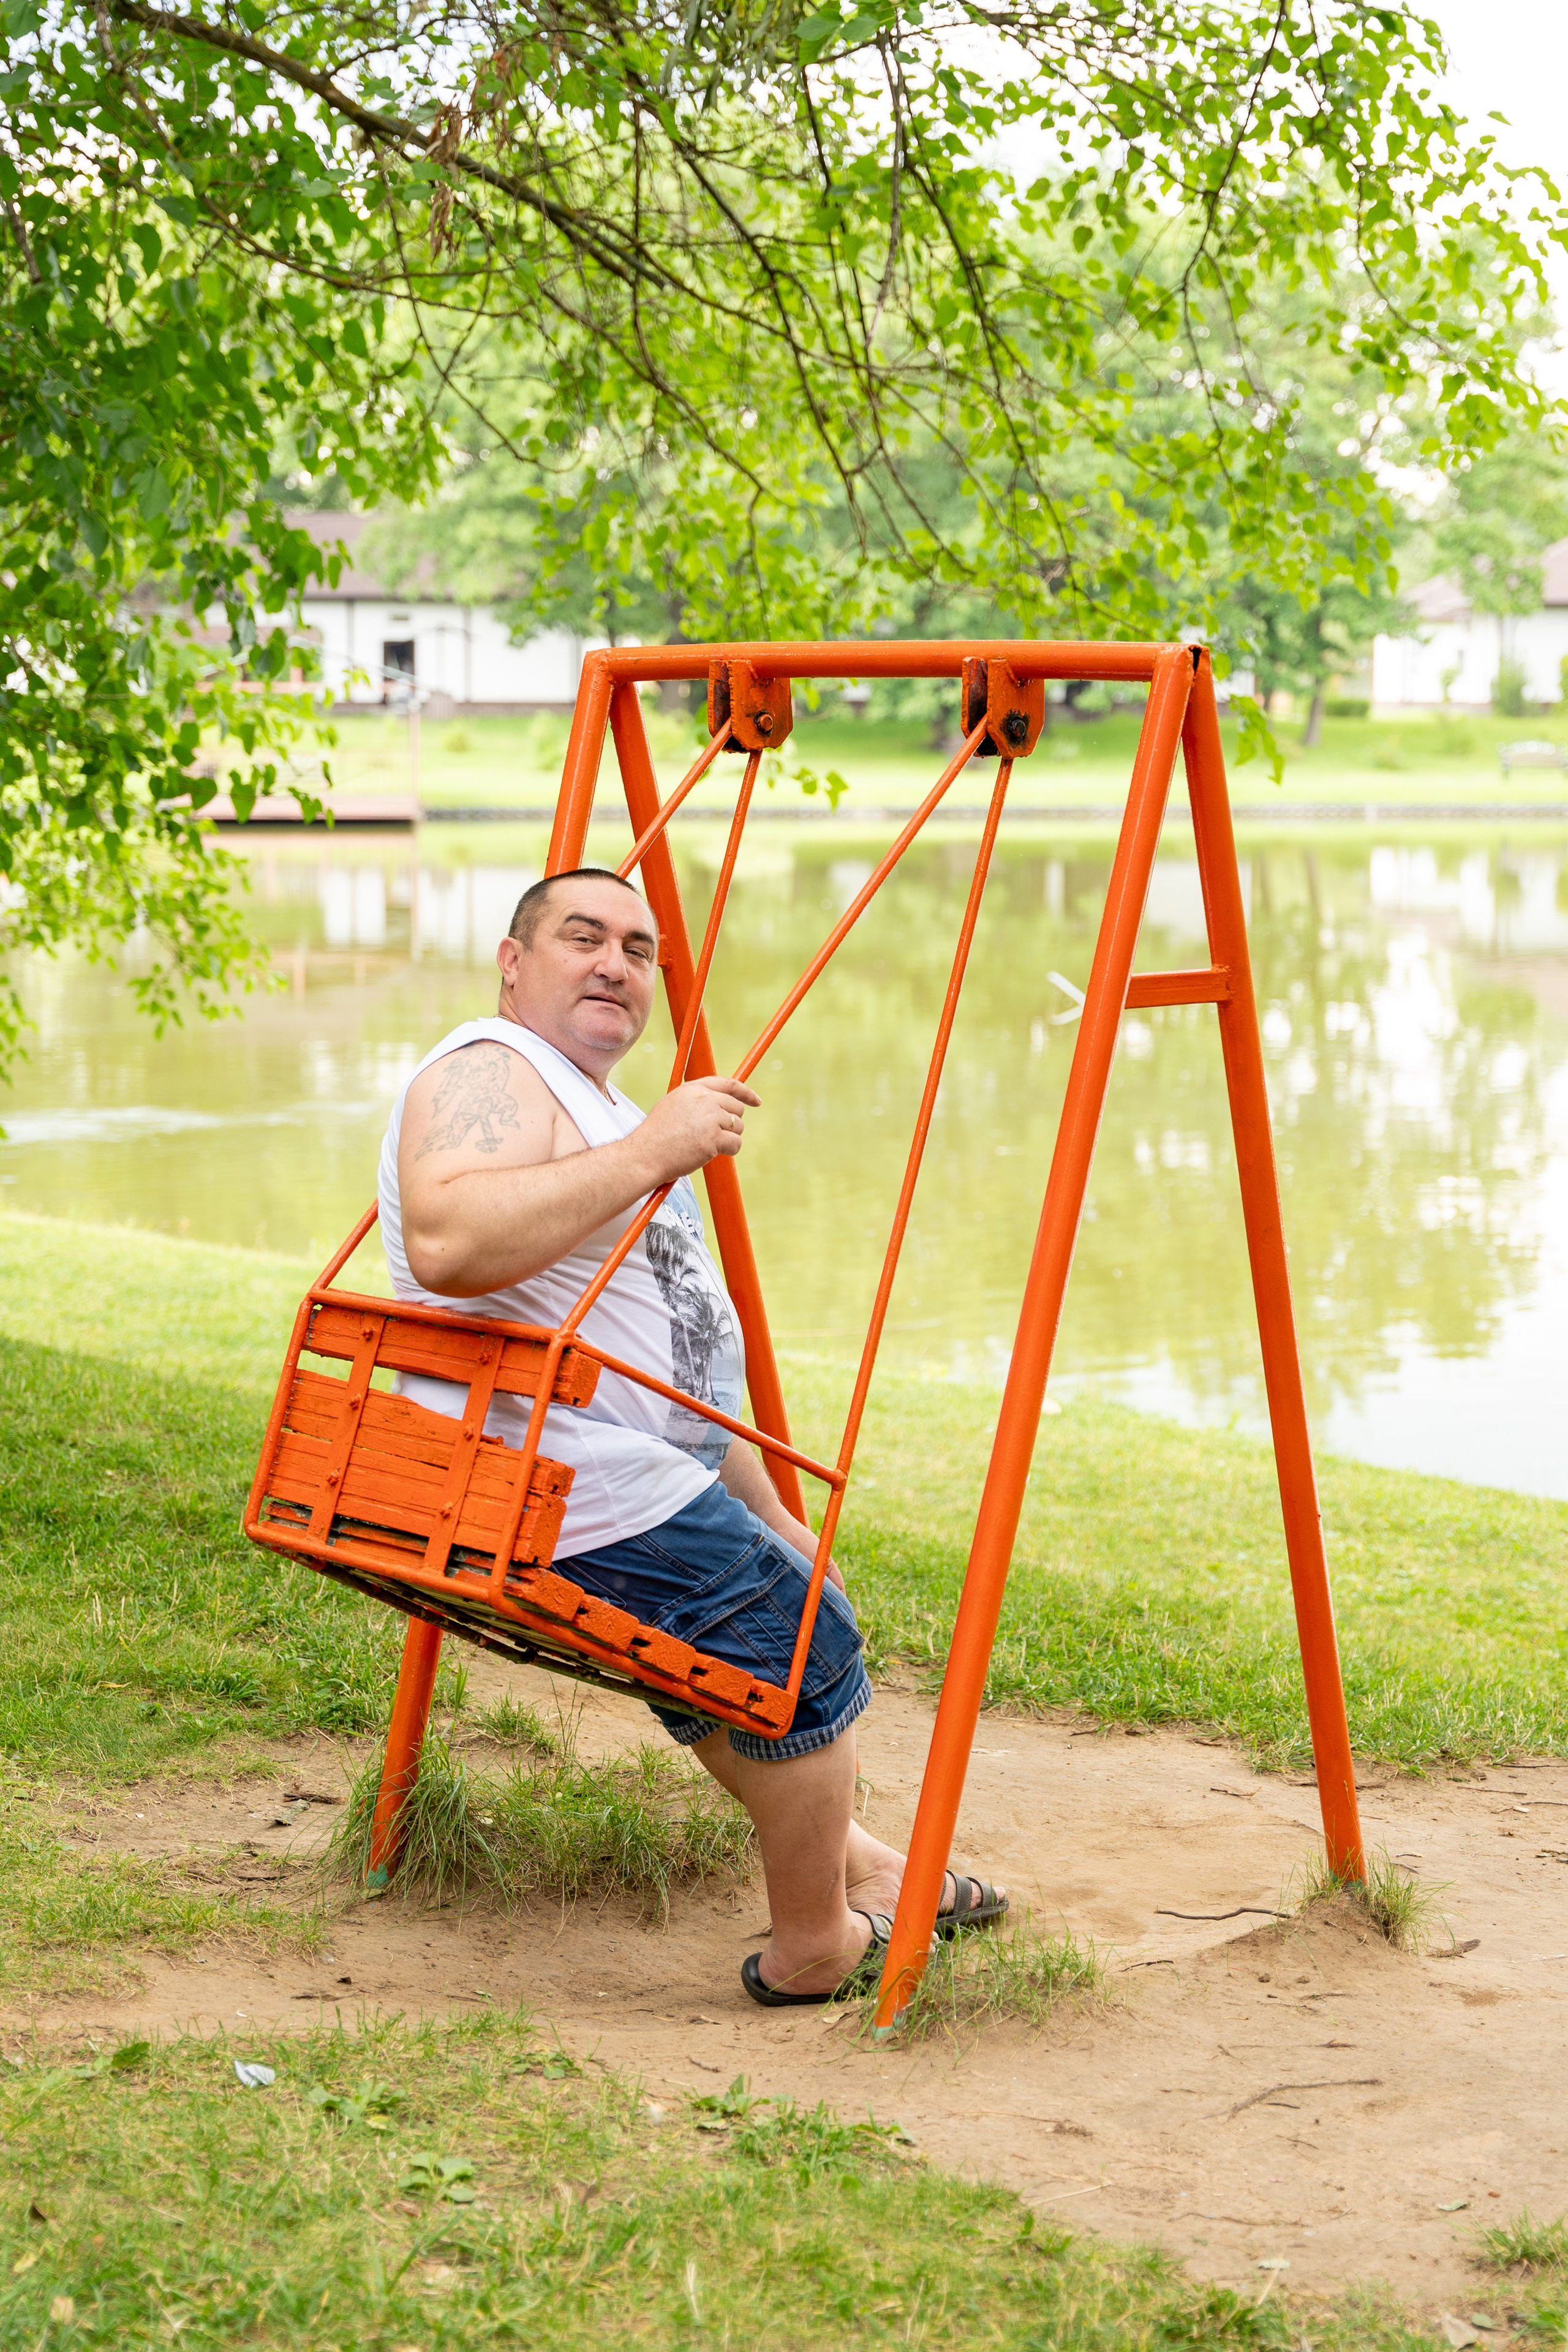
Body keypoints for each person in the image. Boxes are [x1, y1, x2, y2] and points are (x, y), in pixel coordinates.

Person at [377, 865, 1005, 2003]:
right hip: (540, 1479)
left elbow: (685, 1358)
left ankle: (851, 1855)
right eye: (582, 937)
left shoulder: (603, 1107)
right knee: (804, 1648)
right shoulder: (493, 1068)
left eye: (639, 947)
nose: (615, 962)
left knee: (783, 1596)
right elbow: (448, 1241)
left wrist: (768, 1512)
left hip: (619, 1471)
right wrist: (655, 1149)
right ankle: (815, 1944)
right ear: (514, 964)